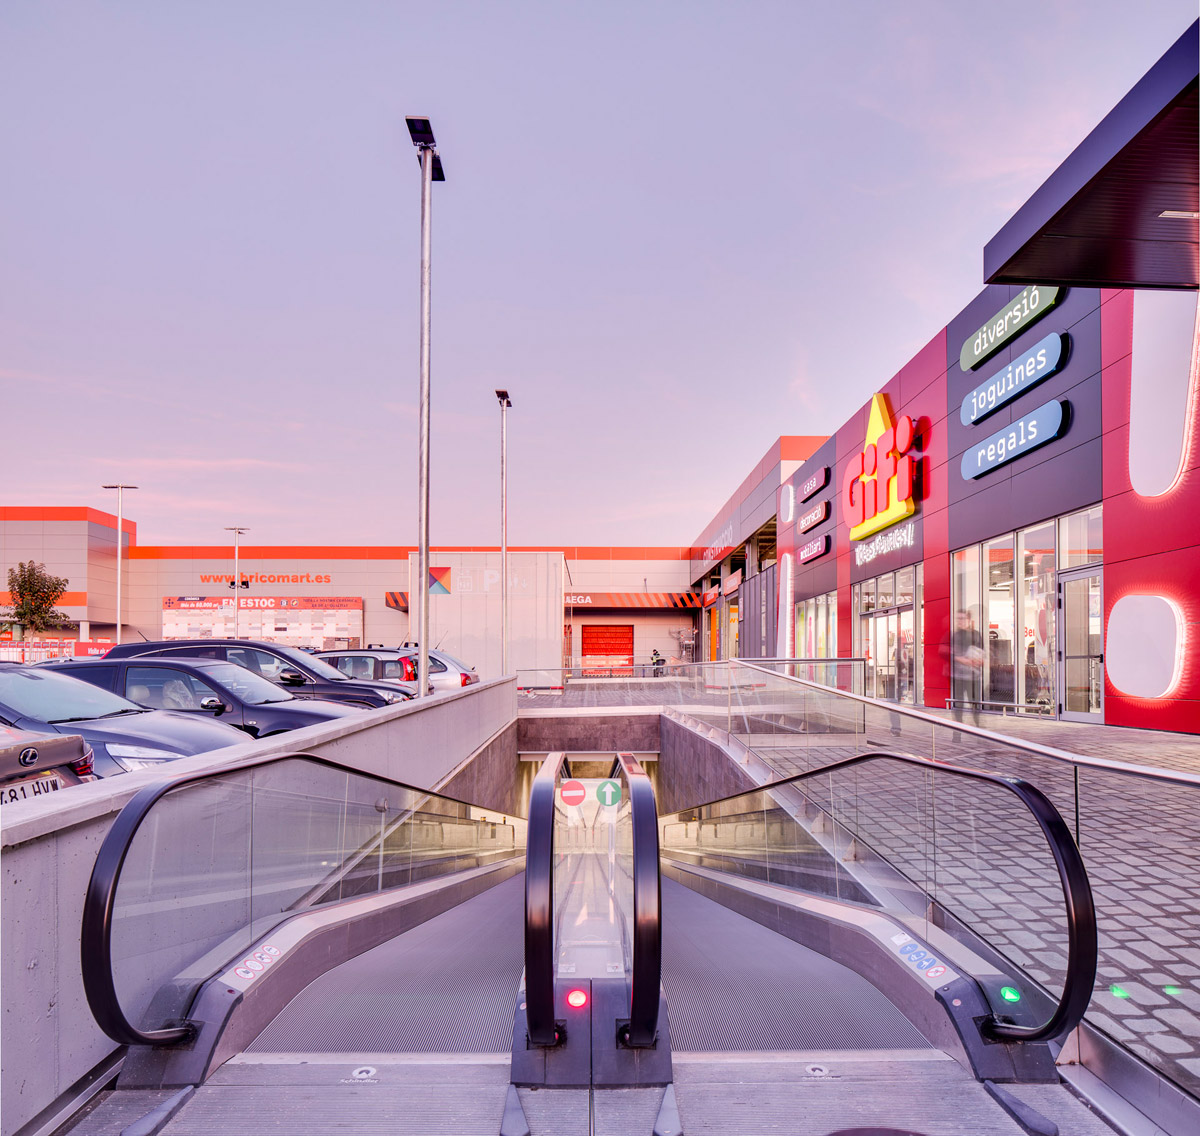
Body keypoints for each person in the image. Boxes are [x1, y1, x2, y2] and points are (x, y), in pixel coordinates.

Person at [950, 609, 983, 734]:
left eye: (962, 618)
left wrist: (978, 660)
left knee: (974, 702)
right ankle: (957, 732)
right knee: (958, 704)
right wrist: (963, 660)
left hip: (973, 676)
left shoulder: (976, 635)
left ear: (969, 620)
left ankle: (978, 727)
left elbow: (982, 653)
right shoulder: (955, 635)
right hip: (958, 676)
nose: (960, 621)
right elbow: (953, 654)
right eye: (958, 619)